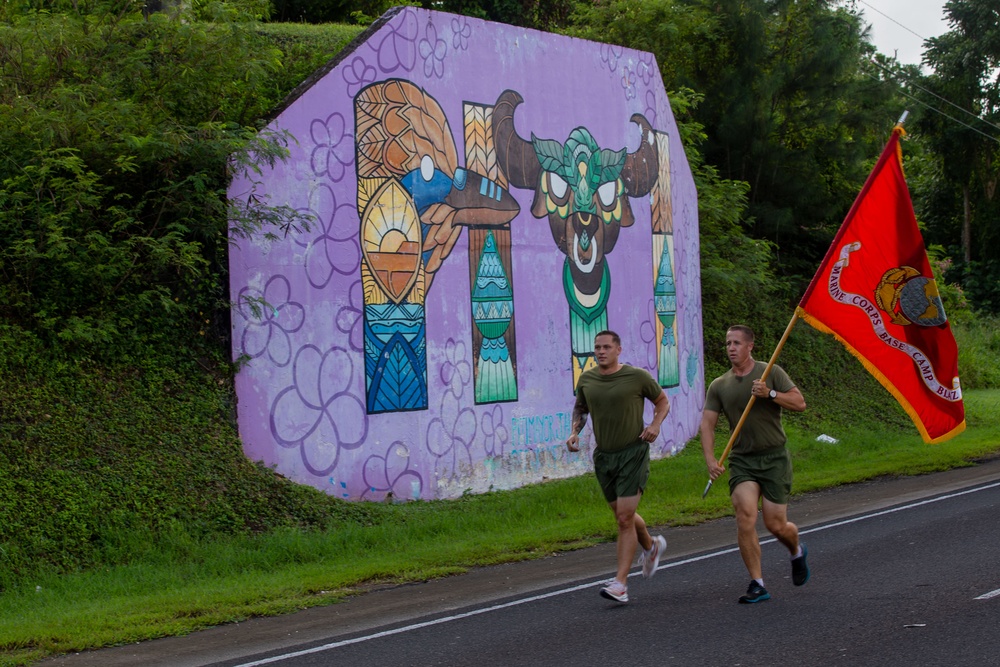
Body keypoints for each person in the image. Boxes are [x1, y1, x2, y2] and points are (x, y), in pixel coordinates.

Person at [700, 324, 809, 604]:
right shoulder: (719, 385)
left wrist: (770, 394)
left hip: (774, 458)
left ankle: (796, 550)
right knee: (745, 515)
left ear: (750, 346)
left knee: (776, 525)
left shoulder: (770, 371)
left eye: (737, 343)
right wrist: (711, 459)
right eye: (727, 343)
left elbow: (799, 403)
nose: (731, 348)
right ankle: (757, 583)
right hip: (743, 461)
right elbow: (708, 425)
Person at [566, 330, 670, 603]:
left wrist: (655, 425)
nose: (601, 351)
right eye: (597, 347)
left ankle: (620, 584)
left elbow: (662, 401)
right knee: (623, 514)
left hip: (633, 452)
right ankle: (651, 547)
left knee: (624, 519)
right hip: (604, 457)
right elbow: (581, 408)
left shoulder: (636, 377)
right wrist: (575, 431)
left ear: (618, 350)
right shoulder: (587, 379)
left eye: (606, 347)